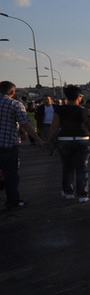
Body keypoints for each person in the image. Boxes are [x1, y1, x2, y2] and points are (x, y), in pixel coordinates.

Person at [1, 81, 47, 210]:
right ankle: (13, 201)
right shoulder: (14, 104)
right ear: (12, 92)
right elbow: (25, 124)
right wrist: (39, 140)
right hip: (8, 145)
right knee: (11, 174)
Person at [49, 85, 90, 203]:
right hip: (83, 140)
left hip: (65, 140)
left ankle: (68, 192)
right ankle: (82, 195)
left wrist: (48, 140)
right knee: (82, 168)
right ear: (79, 97)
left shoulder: (59, 110)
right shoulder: (86, 110)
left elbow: (53, 127)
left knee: (67, 167)